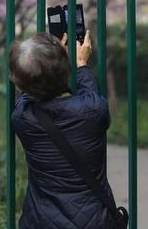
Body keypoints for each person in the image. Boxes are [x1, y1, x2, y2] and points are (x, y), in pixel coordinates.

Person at [10, 31, 120, 228]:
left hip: (40, 221)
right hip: (93, 220)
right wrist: (81, 65)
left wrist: (50, 62)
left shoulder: (21, 118)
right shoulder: (94, 110)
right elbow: (90, 95)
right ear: (65, 71)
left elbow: (27, 91)